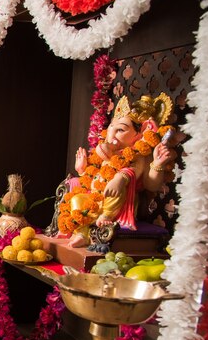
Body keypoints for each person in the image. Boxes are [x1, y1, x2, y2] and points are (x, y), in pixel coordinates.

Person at [59, 93, 177, 247]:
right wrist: (82, 170)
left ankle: (105, 216)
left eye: (121, 130)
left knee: (120, 181)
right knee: (75, 198)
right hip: (95, 198)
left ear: (139, 135)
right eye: (111, 128)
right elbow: (94, 177)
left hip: (117, 203)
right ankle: (81, 233)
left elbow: (149, 184)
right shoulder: (108, 152)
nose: (111, 135)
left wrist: (156, 164)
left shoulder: (137, 155)